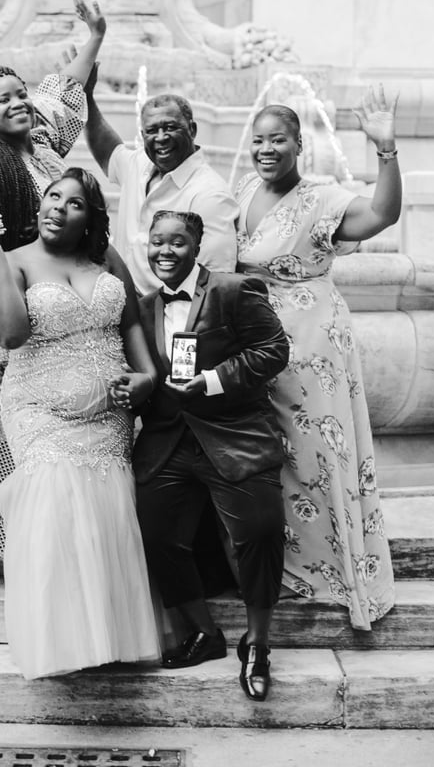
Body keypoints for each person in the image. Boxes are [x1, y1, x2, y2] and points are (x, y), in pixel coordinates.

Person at [0, 167, 161, 679]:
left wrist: (147, 378)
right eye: (52, 196)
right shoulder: (14, 259)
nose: (57, 207)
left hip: (108, 414)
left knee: (104, 506)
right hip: (38, 408)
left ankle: (107, 636)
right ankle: (58, 643)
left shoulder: (107, 260)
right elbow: (8, 334)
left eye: (73, 203)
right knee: (53, 497)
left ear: (89, 217)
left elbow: (131, 319)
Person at [0, 0, 106, 567]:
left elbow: (69, 89)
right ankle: (13, 546)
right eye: (5, 99)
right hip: (18, 315)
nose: (19, 104)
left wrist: (95, 38)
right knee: (13, 435)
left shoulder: (43, 143)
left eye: (21, 95)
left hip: (70, 307)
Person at [234, 86, 401, 630]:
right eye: (258, 139)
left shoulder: (322, 197)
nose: (266, 148)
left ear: (298, 144)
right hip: (257, 342)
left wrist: (386, 150)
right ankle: (283, 566)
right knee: (274, 455)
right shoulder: (240, 193)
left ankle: (331, 569)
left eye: (277, 139)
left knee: (314, 450)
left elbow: (381, 215)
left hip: (311, 344)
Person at [129, 210, 289, 701]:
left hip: (234, 434)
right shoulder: (143, 305)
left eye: (178, 243)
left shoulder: (234, 290)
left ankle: (258, 643)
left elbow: (274, 349)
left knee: (260, 532)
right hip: (168, 442)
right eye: (158, 242)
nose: (166, 252)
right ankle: (203, 633)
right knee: (153, 535)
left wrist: (213, 381)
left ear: (198, 247)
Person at [85, 86, 238, 294]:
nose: (160, 137)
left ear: (192, 129)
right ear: (142, 134)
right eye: (151, 130)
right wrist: (86, 97)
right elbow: (107, 149)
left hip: (166, 317)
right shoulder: (139, 164)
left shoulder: (211, 194)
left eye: (170, 127)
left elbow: (216, 281)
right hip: (124, 308)